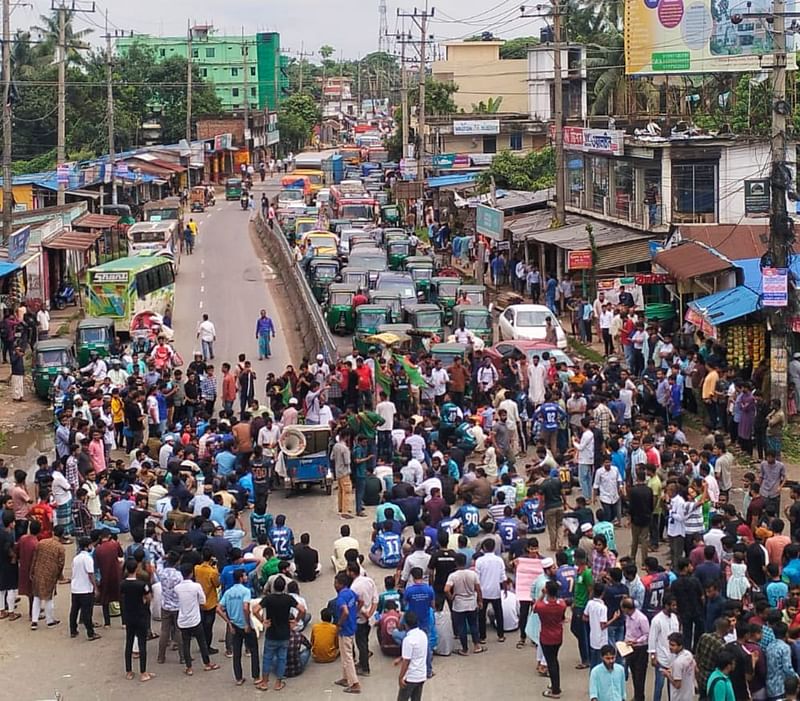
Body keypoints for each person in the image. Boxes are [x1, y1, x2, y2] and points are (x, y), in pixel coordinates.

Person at [217, 567, 260, 686]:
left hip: (234, 625)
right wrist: (247, 623)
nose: (246, 577)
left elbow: (219, 609)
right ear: (241, 578)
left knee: (236, 653)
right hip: (245, 625)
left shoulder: (228, 592)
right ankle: (256, 677)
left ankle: (239, 678)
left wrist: (229, 622)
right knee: (254, 651)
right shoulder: (245, 591)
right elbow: (246, 607)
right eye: (245, 576)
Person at [175, 562, 219, 675]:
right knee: (202, 642)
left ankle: (189, 667)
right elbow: (202, 601)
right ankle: (207, 663)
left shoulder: (177, 588)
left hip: (183, 620)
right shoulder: (196, 586)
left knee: (186, 643)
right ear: (191, 574)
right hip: (194, 619)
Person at [120, 558, 155, 682]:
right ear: (136, 569)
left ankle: (129, 671)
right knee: (142, 644)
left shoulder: (123, 584)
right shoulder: (142, 585)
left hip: (129, 616)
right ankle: (143, 672)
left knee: (129, 642)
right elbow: (149, 597)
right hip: (141, 615)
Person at [444, 552, 484, 656]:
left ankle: (464, 649)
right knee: (473, 624)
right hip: (471, 602)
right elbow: (478, 589)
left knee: (461, 627)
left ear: (455, 563)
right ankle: (477, 646)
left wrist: (451, 597)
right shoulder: (472, 574)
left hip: (459, 604)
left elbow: (446, 589)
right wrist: (480, 601)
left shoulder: (452, 576)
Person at [534, 579, 568, 699]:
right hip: (558, 635)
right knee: (554, 660)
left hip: (546, 636)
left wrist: (542, 594)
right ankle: (555, 684)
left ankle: (555, 690)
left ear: (547, 591)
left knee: (551, 662)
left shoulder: (542, 606)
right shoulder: (562, 604)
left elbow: (535, 607)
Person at [30, 524, 66, 628]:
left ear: (53, 532)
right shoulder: (60, 548)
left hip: (38, 572)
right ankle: (49, 620)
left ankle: (34, 621)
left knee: (36, 597)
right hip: (50, 575)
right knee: (48, 598)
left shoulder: (42, 542)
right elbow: (61, 564)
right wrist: (59, 577)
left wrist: (32, 571)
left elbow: (34, 558)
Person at [333, 571, 361, 694]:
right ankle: (346, 678)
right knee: (345, 654)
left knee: (347, 656)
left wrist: (339, 623)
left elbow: (345, 611)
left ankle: (354, 683)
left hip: (345, 629)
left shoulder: (340, 598)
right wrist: (355, 612)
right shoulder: (350, 593)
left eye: (335, 582)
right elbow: (361, 601)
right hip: (352, 626)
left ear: (340, 584)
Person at [69, 536, 101, 641]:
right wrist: (95, 588)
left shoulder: (76, 558)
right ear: (87, 547)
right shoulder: (87, 558)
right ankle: (90, 633)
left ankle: (73, 630)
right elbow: (90, 574)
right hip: (85, 589)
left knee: (74, 610)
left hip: (75, 588)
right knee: (87, 612)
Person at [475, 537, 506, 643]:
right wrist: (505, 589)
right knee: (498, 613)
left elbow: (477, 578)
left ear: (483, 548)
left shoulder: (479, 561)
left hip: (483, 592)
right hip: (495, 590)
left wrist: (476, 592)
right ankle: (501, 635)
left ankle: (482, 637)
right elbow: (503, 577)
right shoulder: (499, 560)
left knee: (481, 615)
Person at [396, 610, 429, 701]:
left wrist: (400, 677)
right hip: (421, 675)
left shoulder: (408, 640)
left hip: (411, 677)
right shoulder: (423, 635)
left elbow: (407, 661)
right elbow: (416, 652)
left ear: (405, 624)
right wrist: (400, 658)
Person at [621, 597, 649, 701]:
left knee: (639, 675)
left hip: (640, 649)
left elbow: (647, 635)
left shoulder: (641, 618)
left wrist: (636, 641)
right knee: (633, 673)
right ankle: (637, 696)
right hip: (629, 648)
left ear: (627, 609)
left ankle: (640, 697)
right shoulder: (628, 617)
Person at [663, 632, 696, 701]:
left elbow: (677, 685)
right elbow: (695, 667)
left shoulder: (678, 663)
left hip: (679, 697)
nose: (670, 647)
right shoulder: (688, 654)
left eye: (673, 645)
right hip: (689, 695)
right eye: (669, 644)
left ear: (680, 646)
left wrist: (668, 675)